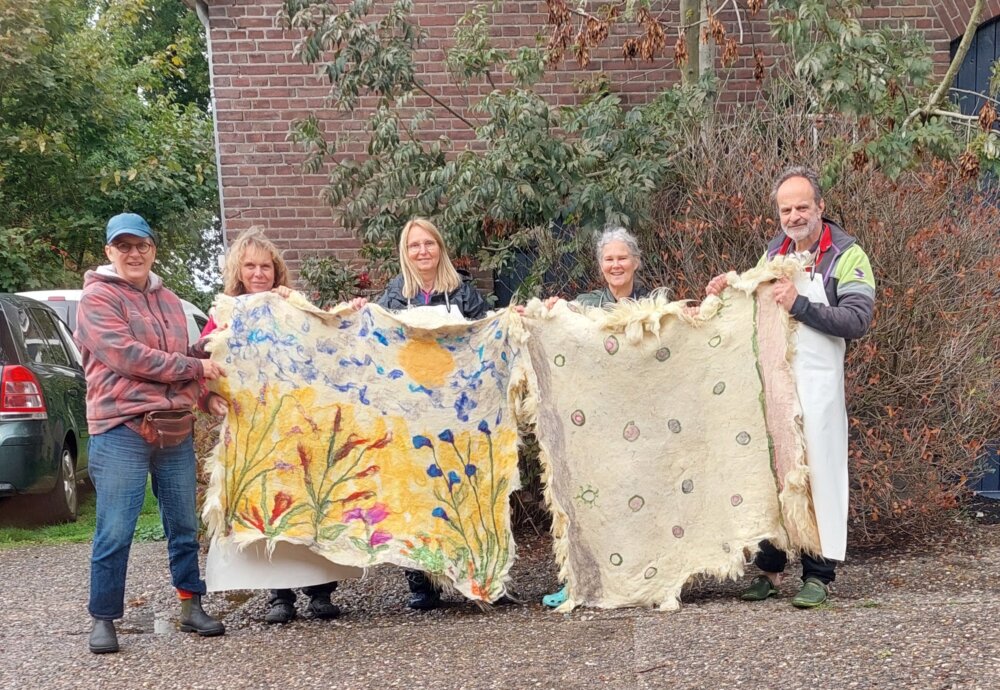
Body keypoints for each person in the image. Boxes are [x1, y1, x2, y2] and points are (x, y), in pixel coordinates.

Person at [705, 166, 875, 608]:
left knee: (818, 474)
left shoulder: (847, 255)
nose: (794, 216)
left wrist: (801, 305)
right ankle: (770, 569)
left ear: (820, 206)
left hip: (819, 386)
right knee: (774, 473)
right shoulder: (774, 251)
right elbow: (757, 305)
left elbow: (858, 319)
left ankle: (818, 575)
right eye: (786, 210)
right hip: (777, 383)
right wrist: (729, 287)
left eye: (802, 207)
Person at [76, 213, 227, 654]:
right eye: (123, 246)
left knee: (183, 524)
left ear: (153, 249)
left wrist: (224, 335)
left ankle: (191, 605)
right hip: (121, 428)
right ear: (109, 252)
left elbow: (186, 356)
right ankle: (104, 618)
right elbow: (129, 357)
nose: (134, 253)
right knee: (116, 528)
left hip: (174, 426)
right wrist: (195, 366)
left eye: (141, 245)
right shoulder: (96, 299)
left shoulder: (171, 300)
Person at [200, 227, 342, 625]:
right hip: (252, 430)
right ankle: (279, 595)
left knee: (309, 505)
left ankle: (320, 591)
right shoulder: (225, 312)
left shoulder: (292, 305)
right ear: (238, 271)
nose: (258, 273)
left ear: (276, 270)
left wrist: (334, 311)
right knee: (265, 508)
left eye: (266, 266)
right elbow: (205, 358)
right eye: (250, 266)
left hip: (297, 426)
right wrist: (208, 398)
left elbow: (327, 342)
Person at [351, 218, 487, 609]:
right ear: (405, 252)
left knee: (462, 491)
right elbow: (372, 343)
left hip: (456, 411)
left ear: (440, 248)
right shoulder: (393, 298)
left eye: (429, 243)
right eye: (414, 245)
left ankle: (471, 576)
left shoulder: (464, 294)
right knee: (415, 495)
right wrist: (359, 314)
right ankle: (421, 583)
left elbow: (484, 339)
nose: (422, 251)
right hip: (409, 411)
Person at [539, 226, 649, 608]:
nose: (616, 265)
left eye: (622, 258)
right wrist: (551, 313)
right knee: (590, 503)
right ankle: (579, 582)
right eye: (609, 259)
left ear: (636, 262)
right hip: (597, 422)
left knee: (640, 501)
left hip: (643, 422)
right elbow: (564, 333)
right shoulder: (587, 304)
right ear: (601, 265)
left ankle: (645, 579)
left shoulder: (655, 304)